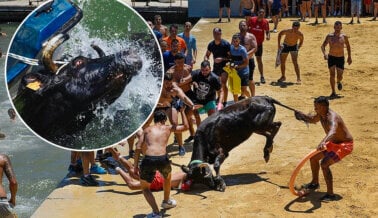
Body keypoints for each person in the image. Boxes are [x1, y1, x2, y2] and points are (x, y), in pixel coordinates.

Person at [294, 96, 353, 201]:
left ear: (323, 107)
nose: (315, 109)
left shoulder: (333, 118)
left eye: (317, 107)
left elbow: (333, 132)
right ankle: (315, 183)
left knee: (324, 164)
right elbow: (312, 119)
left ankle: (331, 195)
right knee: (313, 159)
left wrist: (323, 142)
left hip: (344, 145)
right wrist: (301, 116)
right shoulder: (321, 114)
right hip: (333, 142)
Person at [134, 109, 189, 218]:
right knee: (167, 177)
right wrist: (182, 111)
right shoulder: (168, 128)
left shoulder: (147, 130)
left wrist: (135, 165)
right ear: (164, 120)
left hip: (148, 159)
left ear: (154, 120)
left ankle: (156, 213)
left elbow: (138, 147)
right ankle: (166, 200)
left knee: (145, 188)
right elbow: (186, 127)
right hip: (163, 159)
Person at [103, 147, 190, 191]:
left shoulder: (186, 171)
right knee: (132, 185)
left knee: (133, 172)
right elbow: (184, 187)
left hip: (159, 176)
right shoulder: (189, 177)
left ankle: (118, 157)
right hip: (158, 182)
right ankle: (117, 167)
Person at [184, 60, 224, 142]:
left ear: (210, 69)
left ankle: (212, 135)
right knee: (188, 113)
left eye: (206, 70)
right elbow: (186, 82)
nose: (204, 72)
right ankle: (193, 134)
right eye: (202, 70)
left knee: (212, 117)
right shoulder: (196, 74)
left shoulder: (214, 78)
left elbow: (221, 91)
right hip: (197, 100)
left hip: (209, 100)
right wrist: (192, 83)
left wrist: (220, 103)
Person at [166, 53, 193, 155]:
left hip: (188, 93)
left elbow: (192, 77)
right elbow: (174, 85)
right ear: (175, 62)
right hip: (176, 96)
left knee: (190, 114)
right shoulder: (170, 72)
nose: (181, 64)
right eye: (178, 62)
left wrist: (186, 80)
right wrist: (186, 81)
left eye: (182, 62)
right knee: (175, 121)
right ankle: (180, 144)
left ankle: (193, 134)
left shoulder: (188, 68)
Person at [321, 21, 352, 98]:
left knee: (340, 76)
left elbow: (348, 46)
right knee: (332, 75)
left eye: (339, 27)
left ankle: (338, 82)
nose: (337, 29)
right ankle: (333, 92)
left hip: (340, 58)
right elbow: (323, 46)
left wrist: (349, 57)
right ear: (334, 27)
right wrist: (324, 54)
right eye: (336, 27)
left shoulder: (344, 36)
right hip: (331, 57)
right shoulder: (329, 36)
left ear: (341, 27)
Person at [204, 27, 231, 106]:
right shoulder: (211, 44)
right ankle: (219, 98)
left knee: (223, 83)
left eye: (218, 34)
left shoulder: (226, 44)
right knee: (217, 84)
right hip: (216, 67)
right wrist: (206, 61)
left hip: (225, 67)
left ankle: (225, 101)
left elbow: (231, 57)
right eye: (215, 34)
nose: (217, 35)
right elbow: (207, 55)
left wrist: (222, 59)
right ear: (213, 34)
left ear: (221, 34)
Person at [247, 9, 270, 84]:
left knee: (259, 59)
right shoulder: (252, 20)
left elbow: (267, 31)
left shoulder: (265, 22)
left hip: (259, 44)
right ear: (257, 13)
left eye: (263, 13)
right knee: (248, 59)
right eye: (260, 12)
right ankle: (248, 76)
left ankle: (262, 76)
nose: (261, 14)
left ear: (264, 14)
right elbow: (246, 28)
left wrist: (268, 36)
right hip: (250, 44)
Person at [229, 33, 251, 101]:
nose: (235, 43)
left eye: (236, 41)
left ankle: (251, 99)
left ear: (239, 41)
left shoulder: (242, 50)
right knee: (235, 90)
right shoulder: (231, 48)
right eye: (234, 41)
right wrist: (232, 65)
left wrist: (237, 66)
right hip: (235, 72)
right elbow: (231, 59)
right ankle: (236, 104)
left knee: (243, 90)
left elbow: (246, 63)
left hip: (243, 72)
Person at [239, 20, 258, 96]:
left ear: (247, 27)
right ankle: (243, 95)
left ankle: (253, 96)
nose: (242, 27)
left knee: (250, 79)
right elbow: (232, 47)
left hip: (249, 60)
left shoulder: (251, 36)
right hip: (239, 61)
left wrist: (246, 54)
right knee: (240, 79)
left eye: (244, 25)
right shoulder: (236, 36)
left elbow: (254, 48)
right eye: (241, 25)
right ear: (239, 27)